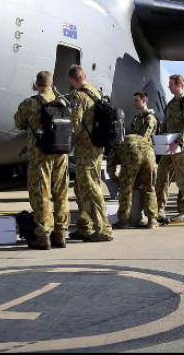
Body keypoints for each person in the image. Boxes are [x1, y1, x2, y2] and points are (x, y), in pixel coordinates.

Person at [13, 70, 71, 249]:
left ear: (37, 84)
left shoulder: (30, 103)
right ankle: (60, 233)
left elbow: (19, 123)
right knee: (61, 193)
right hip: (61, 152)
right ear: (51, 83)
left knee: (41, 193)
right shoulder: (63, 102)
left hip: (40, 154)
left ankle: (43, 235)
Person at [67, 64, 114, 242]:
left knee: (92, 187)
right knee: (80, 187)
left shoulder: (78, 97)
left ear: (72, 80)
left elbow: (75, 126)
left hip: (85, 149)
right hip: (96, 147)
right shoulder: (97, 92)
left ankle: (103, 229)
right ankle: (84, 226)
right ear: (84, 76)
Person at [155, 74, 184, 223]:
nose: (168, 86)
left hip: (181, 144)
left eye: (171, 84)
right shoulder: (170, 104)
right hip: (168, 144)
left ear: (179, 85)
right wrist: (160, 142)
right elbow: (165, 124)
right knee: (162, 175)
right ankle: (159, 209)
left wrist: (178, 142)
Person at [113, 134, 160, 229]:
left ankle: (123, 221)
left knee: (126, 190)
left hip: (132, 153)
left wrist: (120, 182)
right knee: (149, 188)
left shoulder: (115, 147)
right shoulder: (136, 139)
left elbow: (111, 170)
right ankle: (152, 220)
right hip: (149, 153)